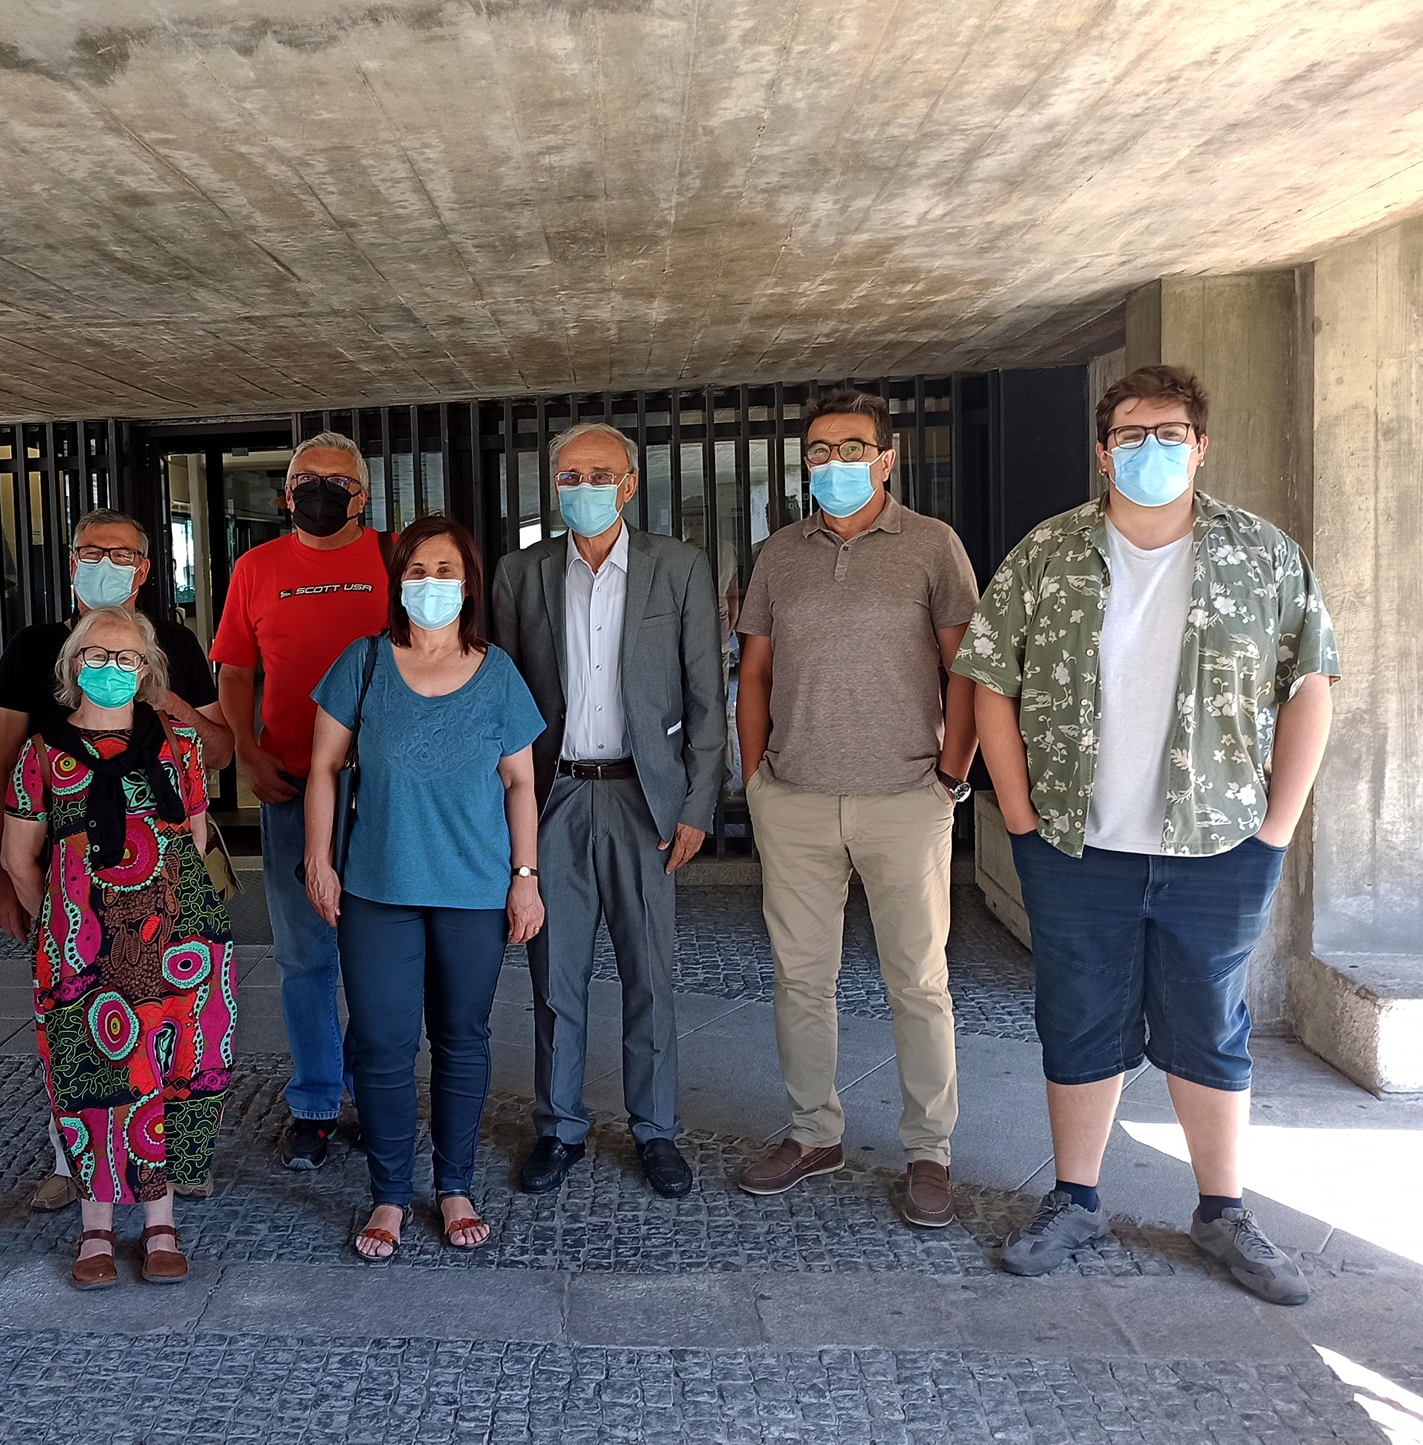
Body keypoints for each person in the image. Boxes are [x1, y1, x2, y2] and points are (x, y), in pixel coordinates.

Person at [954, 365, 1340, 1304]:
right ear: (1103, 451)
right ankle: (1075, 1198)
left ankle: (1223, 1211)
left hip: (1221, 846)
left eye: (1169, 433)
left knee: (1211, 1022)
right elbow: (990, 679)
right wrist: (1018, 814)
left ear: (1200, 446)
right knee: (1077, 1016)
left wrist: (1276, 828)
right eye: (1131, 434)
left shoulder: (1263, 555)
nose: (1150, 449)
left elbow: (1311, 685)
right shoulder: (1047, 553)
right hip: (1076, 845)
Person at [733, 390, 982, 1228]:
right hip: (795, 799)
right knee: (802, 979)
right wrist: (755, 778)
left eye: (850, 448)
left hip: (907, 798)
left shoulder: (933, 545)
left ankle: (929, 1150)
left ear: (886, 458)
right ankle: (814, 1133)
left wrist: (950, 775)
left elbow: (965, 668)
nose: (833, 463)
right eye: (818, 450)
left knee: (918, 981)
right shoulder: (780, 554)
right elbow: (755, 671)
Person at [302, 516, 546, 1260]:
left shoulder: (498, 672)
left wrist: (526, 878)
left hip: (474, 887)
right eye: (416, 569)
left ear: (468, 584)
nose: (430, 583)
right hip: (379, 887)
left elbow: (521, 782)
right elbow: (323, 767)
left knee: (462, 1039)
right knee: (381, 1042)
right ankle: (387, 1193)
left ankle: (454, 1186)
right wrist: (318, 859)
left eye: (446, 570)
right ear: (397, 579)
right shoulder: (365, 662)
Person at [491, 421, 724, 1199]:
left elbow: (705, 695)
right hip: (553, 793)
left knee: (649, 974)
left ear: (628, 484)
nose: (583, 488)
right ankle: (559, 1126)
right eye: (569, 475)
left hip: (643, 797)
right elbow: (506, 700)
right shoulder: (520, 574)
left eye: (599, 474)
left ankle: (655, 1129)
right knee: (554, 973)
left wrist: (698, 801)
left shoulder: (679, 568)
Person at [0, 507, 229, 1211]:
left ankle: (169, 1167)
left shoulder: (176, 644)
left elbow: (219, 753)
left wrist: (164, 696)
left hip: (166, 910)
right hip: (71, 887)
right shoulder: (32, 647)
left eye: (121, 554)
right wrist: (14, 882)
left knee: (177, 1031)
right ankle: (78, 1167)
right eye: (91, 552)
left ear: (145, 568)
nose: (106, 565)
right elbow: (4, 762)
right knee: (79, 1032)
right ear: (71, 563)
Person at [212, 432, 391, 1170]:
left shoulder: (396, 560)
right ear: (286, 495)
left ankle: (370, 1089)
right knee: (303, 956)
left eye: (338, 481)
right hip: (289, 786)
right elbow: (234, 671)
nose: (322, 491)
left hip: (385, 790)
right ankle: (315, 1102)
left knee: (384, 954)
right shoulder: (256, 569)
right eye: (307, 479)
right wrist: (247, 753)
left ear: (363, 496)